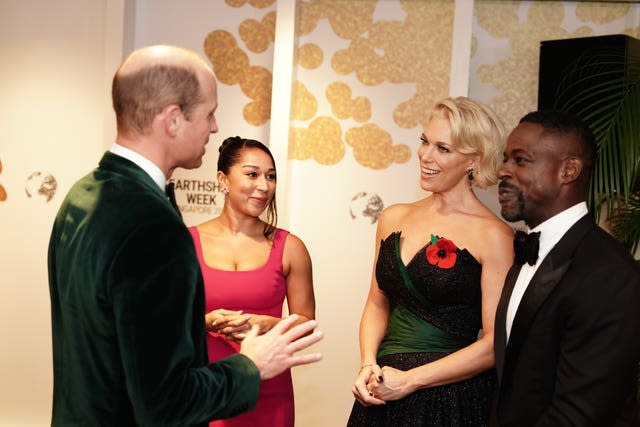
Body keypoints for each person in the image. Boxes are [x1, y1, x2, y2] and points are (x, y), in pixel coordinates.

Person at [47, 45, 323, 427]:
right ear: (173, 119)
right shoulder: (153, 226)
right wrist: (251, 365)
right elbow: (165, 401)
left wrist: (200, 323)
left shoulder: (83, 195)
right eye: (209, 113)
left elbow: (119, 336)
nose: (214, 127)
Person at [347, 96, 515, 426]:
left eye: (443, 148)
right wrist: (368, 364)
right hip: (382, 390)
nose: (425, 155)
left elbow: (495, 343)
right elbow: (377, 303)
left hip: (448, 399)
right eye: (425, 141)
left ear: (474, 160)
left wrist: (411, 380)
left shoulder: (494, 235)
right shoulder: (393, 216)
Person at [493, 110, 640, 426]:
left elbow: (582, 413)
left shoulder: (609, 274)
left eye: (520, 160)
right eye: (506, 159)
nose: (502, 171)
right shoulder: (527, 251)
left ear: (568, 170)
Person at [188, 136, 315, 427]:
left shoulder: (291, 247)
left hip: (269, 393)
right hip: (204, 389)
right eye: (252, 174)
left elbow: (306, 324)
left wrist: (270, 325)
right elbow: (163, 323)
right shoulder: (185, 243)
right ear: (223, 179)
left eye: (271, 176)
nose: (264, 185)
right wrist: (205, 321)